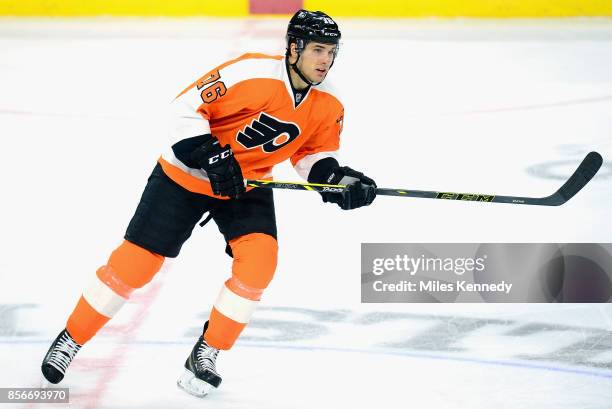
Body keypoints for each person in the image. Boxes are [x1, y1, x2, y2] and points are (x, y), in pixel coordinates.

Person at [40, 9, 376, 397]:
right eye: (318, 50)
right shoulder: (249, 74)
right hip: (183, 177)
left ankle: (207, 352)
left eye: (331, 51)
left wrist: (335, 179)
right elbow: (183, 109)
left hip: (245, 186)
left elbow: (310, 155)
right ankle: (72, 338)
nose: (325, 60)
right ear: (294, 47)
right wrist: (210, 154)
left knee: (259, 265)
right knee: (135, 266)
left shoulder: (329, 101)